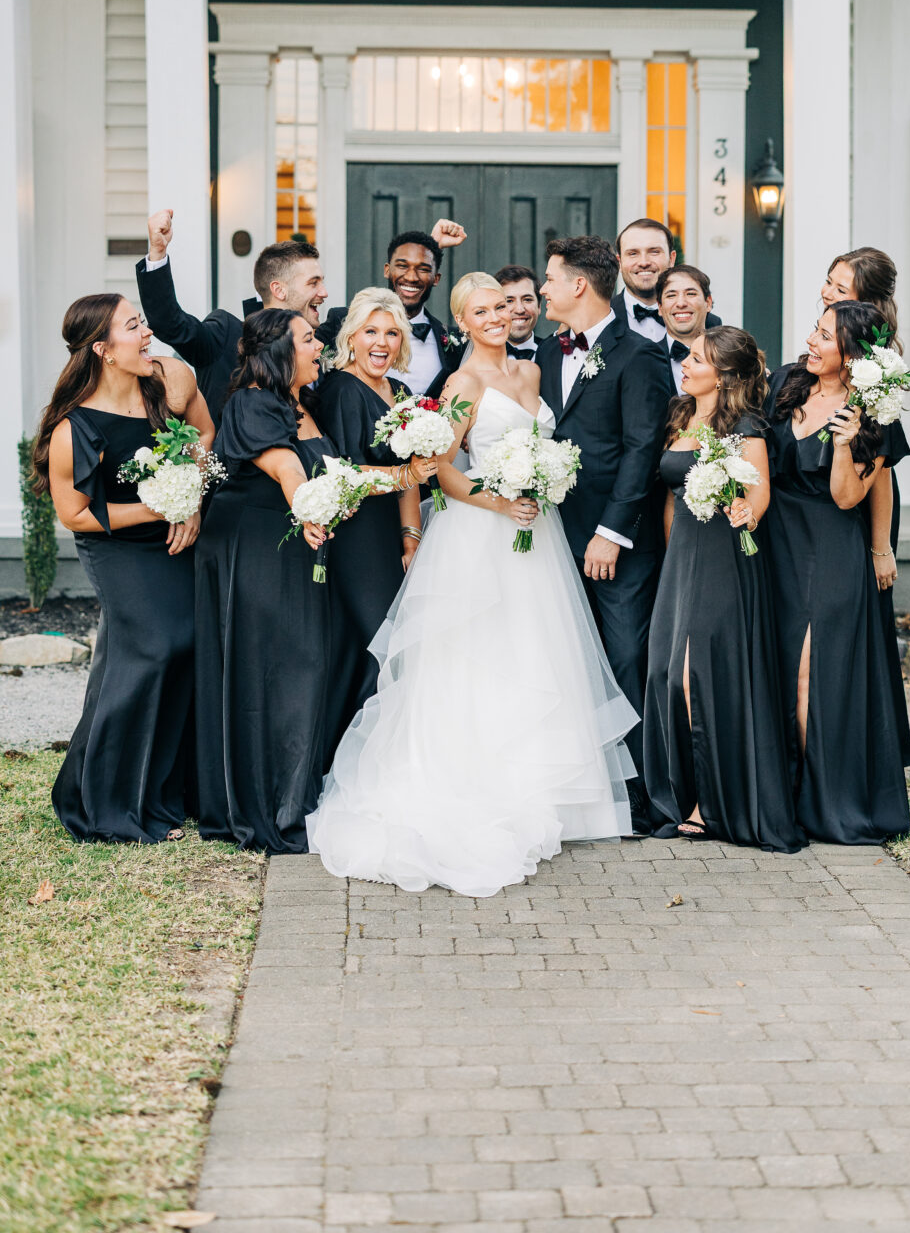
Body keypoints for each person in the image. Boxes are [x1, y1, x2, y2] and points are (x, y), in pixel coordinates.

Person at [307, 272, 638, 896]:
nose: (496, 317)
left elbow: (545, 444)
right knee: (477, 655)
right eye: (481, 311)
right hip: (480, 530)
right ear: (462, 321)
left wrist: (543, 485)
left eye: (503, 307)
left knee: (536, 652)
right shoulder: (460, 384)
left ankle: (544, 793)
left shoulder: (534, 372)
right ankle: (476, 784)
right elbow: (441, 473)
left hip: (535, 535)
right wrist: (500, 503)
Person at [32, 294, 212, 844]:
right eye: (134, 325)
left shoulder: (170, 381)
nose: (147, 331)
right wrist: (160, 505)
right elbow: (76, 515)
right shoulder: (73, 428)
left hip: (174, 538)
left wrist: (192, 500)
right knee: (153, 648)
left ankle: (161, 796)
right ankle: (105, 803)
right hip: (115, 547)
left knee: (186, 647)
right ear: (103, 350)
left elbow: (205, 434)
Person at [644, 327, 804, 854]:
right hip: (682, 560)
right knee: (668, 674)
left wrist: (745, 512)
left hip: (725, 558)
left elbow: (759, 492)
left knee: (700, 677)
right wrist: (671, 557)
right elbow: (671, 496)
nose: (685, 364)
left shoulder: (746, 425)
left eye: (696, 359)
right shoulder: (679, 414)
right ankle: (680, 791)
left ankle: (710, 804)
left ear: (725, 375)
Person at [538, 236, 674, 832]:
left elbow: (643, 450)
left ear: (578, 286)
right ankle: (581, 789)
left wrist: (612, 532)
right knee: (562, 666)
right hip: (548, 539)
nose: (541, 289)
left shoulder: (639, 356)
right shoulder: (543, 354)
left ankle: (643, 797)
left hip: (615, 545)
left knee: (625, 660)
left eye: (549, 278)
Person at [764, 302, 910, 845]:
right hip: (774, 544)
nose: (811, 340)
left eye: (824, 336)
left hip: (828, 547)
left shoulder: (874, 412)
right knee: (777, 668)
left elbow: (849, 495)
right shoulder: (786, 383)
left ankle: (823, 800)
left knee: (813, 673)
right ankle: (776, 792)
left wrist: (846, 444)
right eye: (815, 329)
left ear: (851, 354)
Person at [195, 308, 337, 854]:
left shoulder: (297, 401)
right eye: (307, 339)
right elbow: (287, 469)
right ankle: (268, 806)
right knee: (273, 670)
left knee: (299, 665)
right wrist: (312, 513)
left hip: (284, 549)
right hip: (252, 552)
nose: (318, 346)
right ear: (278, 351)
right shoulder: (253, 402)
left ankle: (291, 793)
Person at [316, 288, 438, 763]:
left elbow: (414, 470)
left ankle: (381, 761)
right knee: (374, 645)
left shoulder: (402, 393)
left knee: (394, 644)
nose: (381, 342)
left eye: (391, 332)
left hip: (390, 534)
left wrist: (412, 537)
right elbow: (341, 470)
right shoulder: (341, 390)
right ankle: (345, 762)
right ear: (351, 337)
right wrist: (403, 475)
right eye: (370, 331)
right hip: (355, 535)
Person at [821, 247, 910, 768]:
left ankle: (873, 749)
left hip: (861, 512)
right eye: (828, 282)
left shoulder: (878, 370)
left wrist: (881, 547)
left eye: (841, 287)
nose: (828, 293)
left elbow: (883, 472)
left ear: (866, 302)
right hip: (822, 503)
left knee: (867, 629)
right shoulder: (830, 344)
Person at [136, 210, 330, 425]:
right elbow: (169, 323)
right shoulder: (226, 335)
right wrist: (157, 252)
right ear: (279, 290)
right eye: (313, 283)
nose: (324, 292)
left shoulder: (320, 341)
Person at [384, 229, 467, 395]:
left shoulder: (457, 342)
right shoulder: (345, 322)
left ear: (436, 278)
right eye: (402, 266)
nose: (411, 277)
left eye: (423, 269)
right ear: (387, 270)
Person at [657, 264, 723, 392]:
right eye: (671, 295)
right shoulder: (643, 361)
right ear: (660, 307)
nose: (681, 303)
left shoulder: (729, 358)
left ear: (708, 303)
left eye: (691, 294)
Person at [611, 218, 677, 341]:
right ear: (619, 262)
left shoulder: (708, 323)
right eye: (633, 253)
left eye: (654, 252)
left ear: (671, 259)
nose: (644, 262)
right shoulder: (599, 320)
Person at [496, 264, 544, 359]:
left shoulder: (554, 353)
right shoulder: (478, 355)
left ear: (539, 306)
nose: (519, 310)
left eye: (527, 299)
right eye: (509, 301)